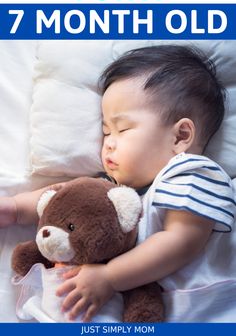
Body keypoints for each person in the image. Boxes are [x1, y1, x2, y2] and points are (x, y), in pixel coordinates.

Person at [1, 45, 236, 323]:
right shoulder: (121, 192)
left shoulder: (194, 173)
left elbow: (181, 242)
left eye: (122, 129)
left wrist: (110, 277)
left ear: (180, 136)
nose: (108, 142)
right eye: (105, 131)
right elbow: (68, 196)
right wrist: (16, 207)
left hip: (215, 305)